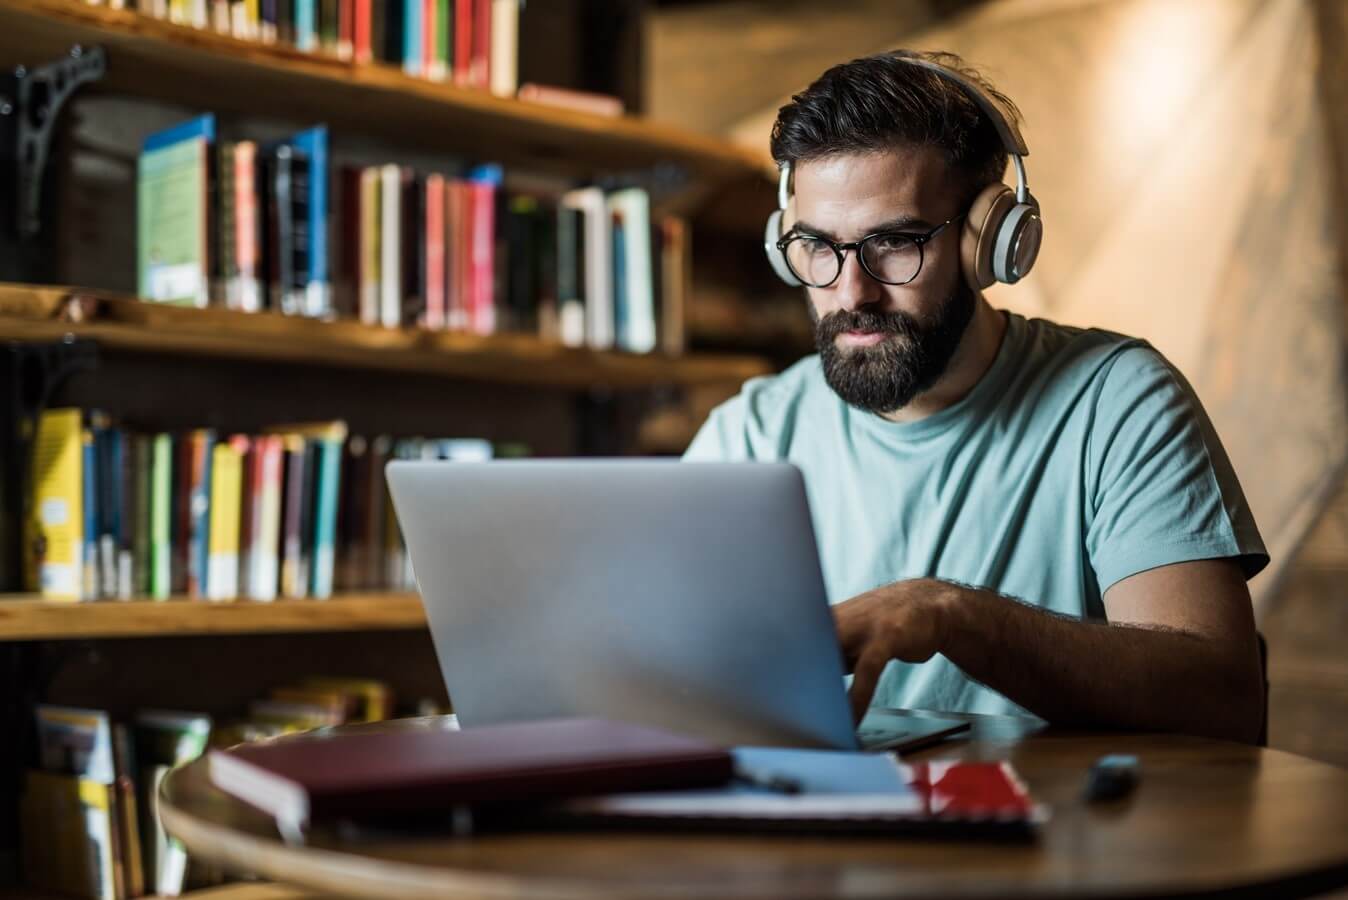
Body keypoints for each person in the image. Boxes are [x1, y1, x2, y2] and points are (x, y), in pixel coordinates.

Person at [683, 50, 1269, 743]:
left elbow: (1222, 696)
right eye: (818, 247)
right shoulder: (749, 433)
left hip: (1050, 839)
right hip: (810, 832)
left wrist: (951, 616)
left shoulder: (1119, 401)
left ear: (991, 243)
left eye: (895, 244)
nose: (851, 294)